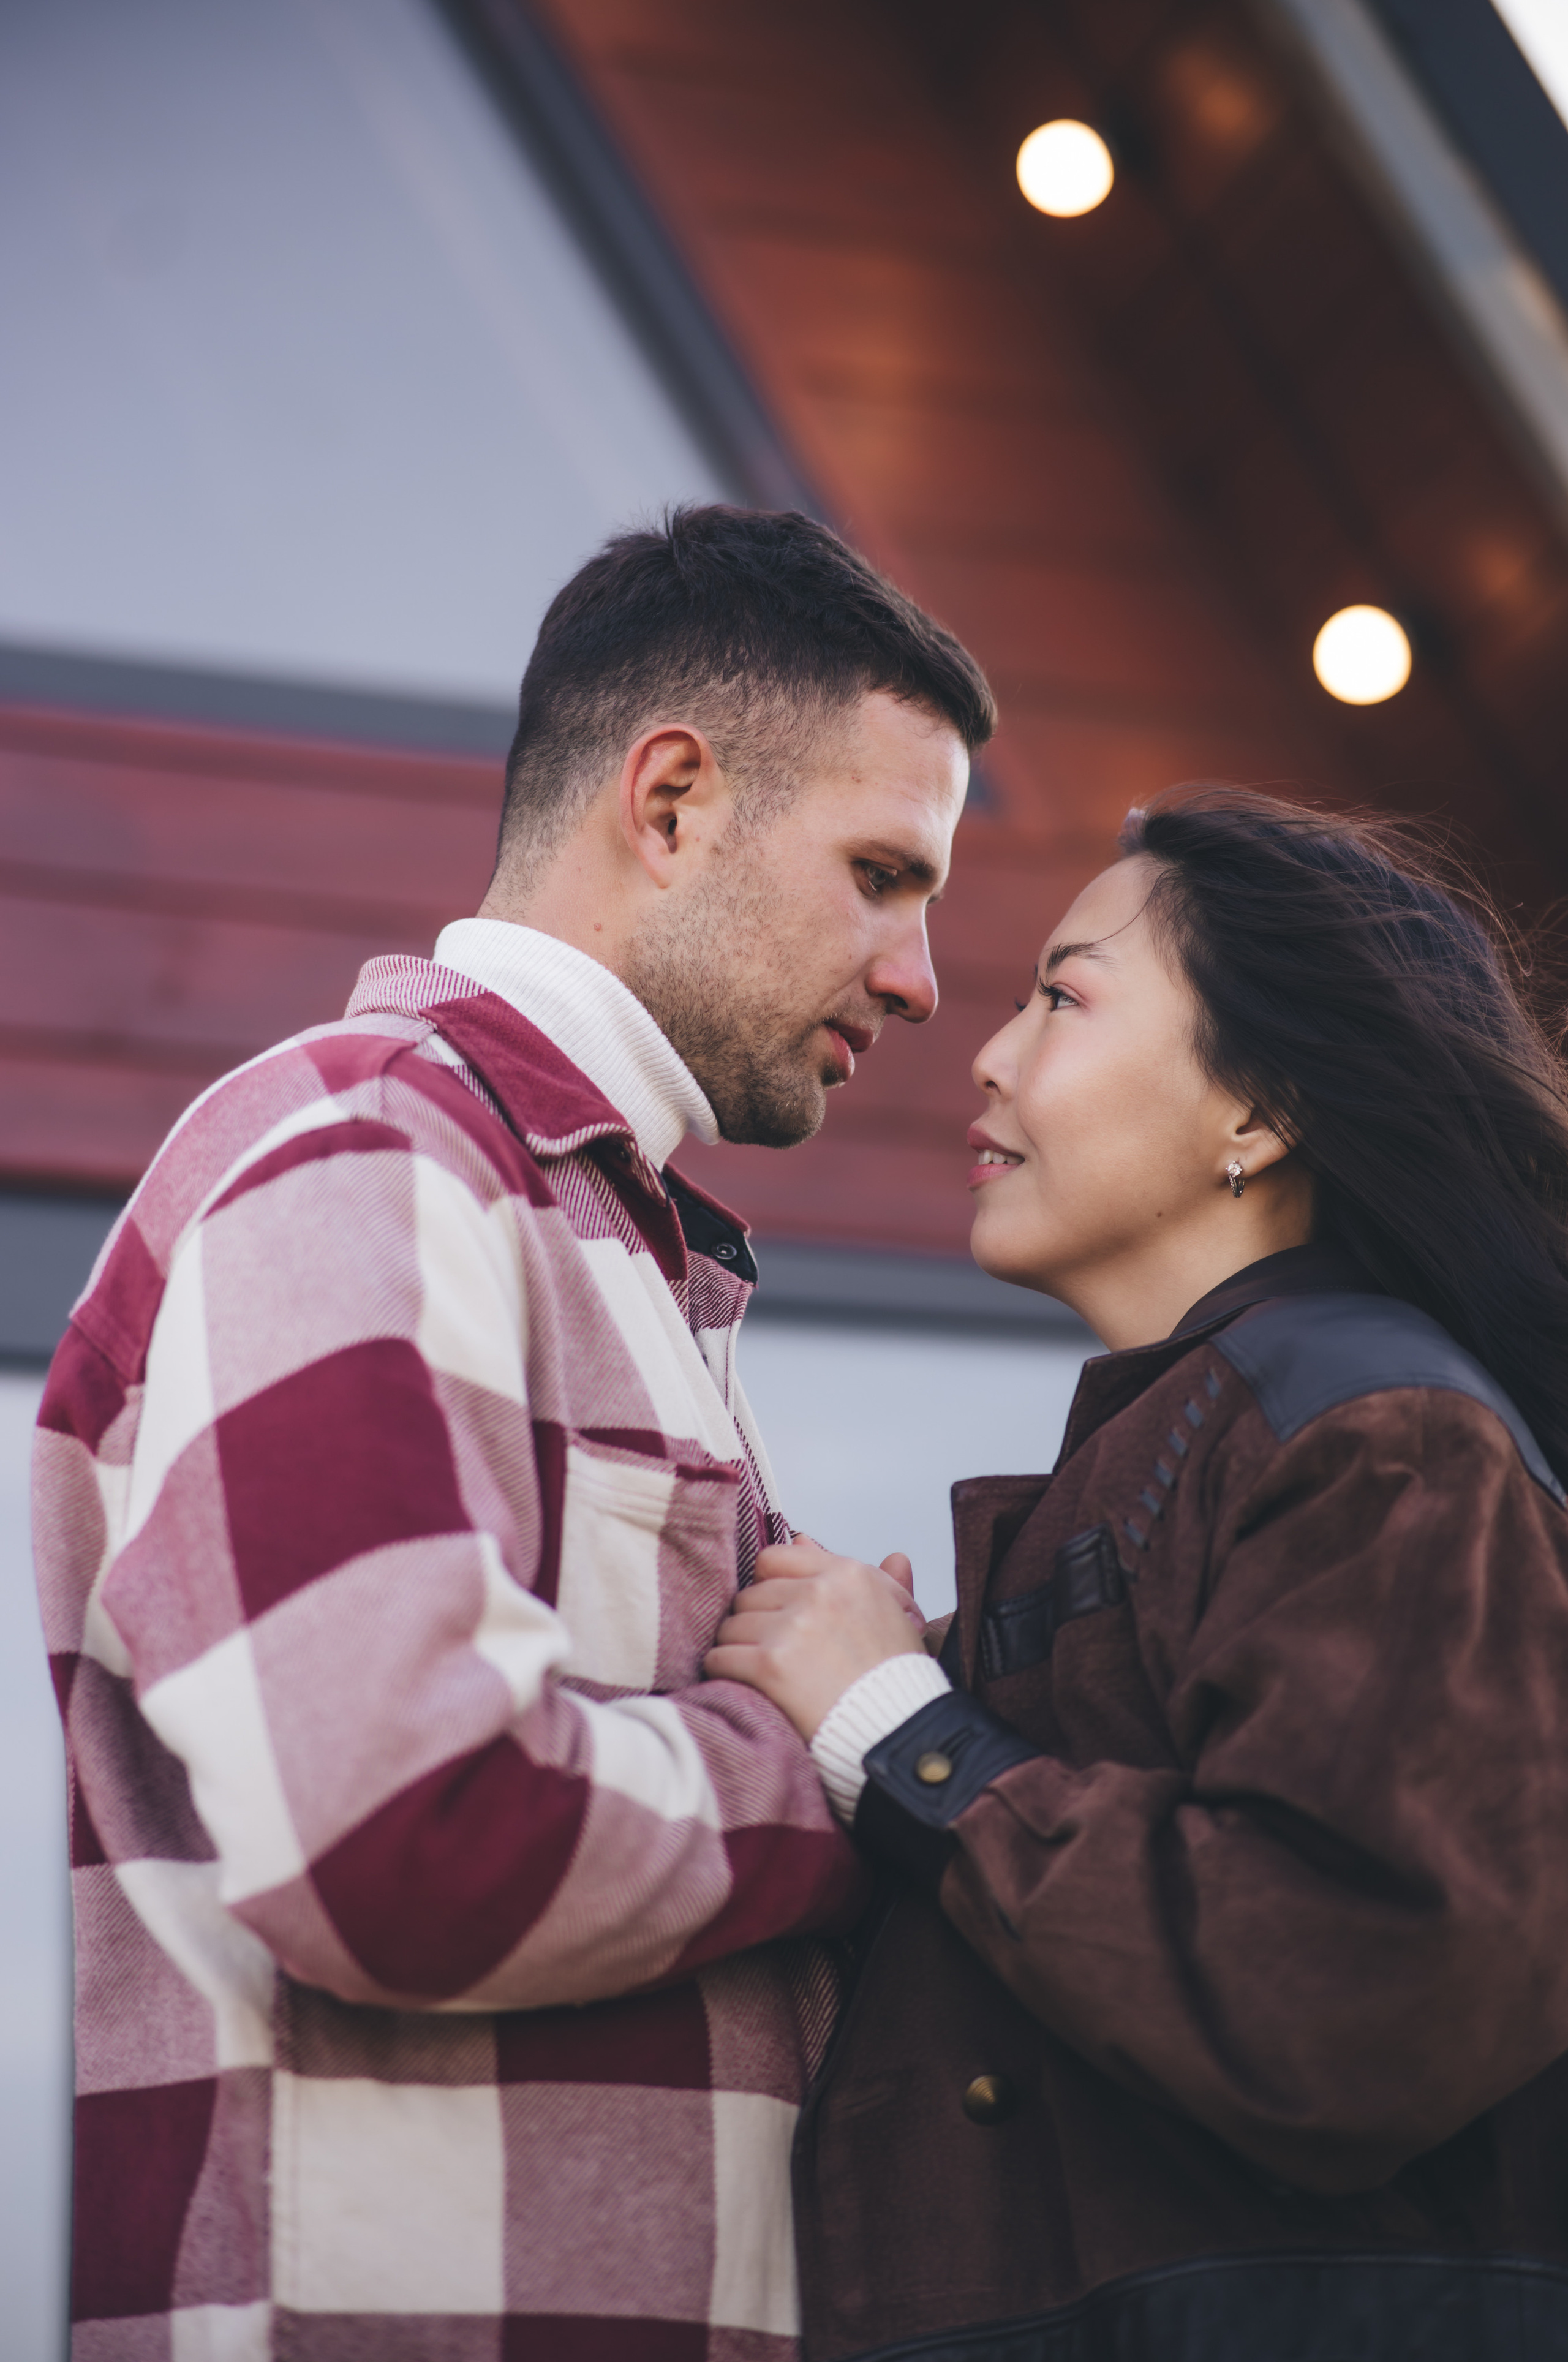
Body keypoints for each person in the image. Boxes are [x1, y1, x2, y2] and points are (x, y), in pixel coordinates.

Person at [32, 504, 993, 2359]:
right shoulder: (369, 1157)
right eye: (885, 872)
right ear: (673, 801)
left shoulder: (576, 1218)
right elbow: (409, 1833)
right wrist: (865, 1763)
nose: (920, 978)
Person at [711, 788, 1568, 2361]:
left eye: (1062, 993)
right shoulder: (1236, 1425)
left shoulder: (1384, 1434)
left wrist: (905, 1730)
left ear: (1258, 1104)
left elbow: (1365, 1986)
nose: (983, 1047)